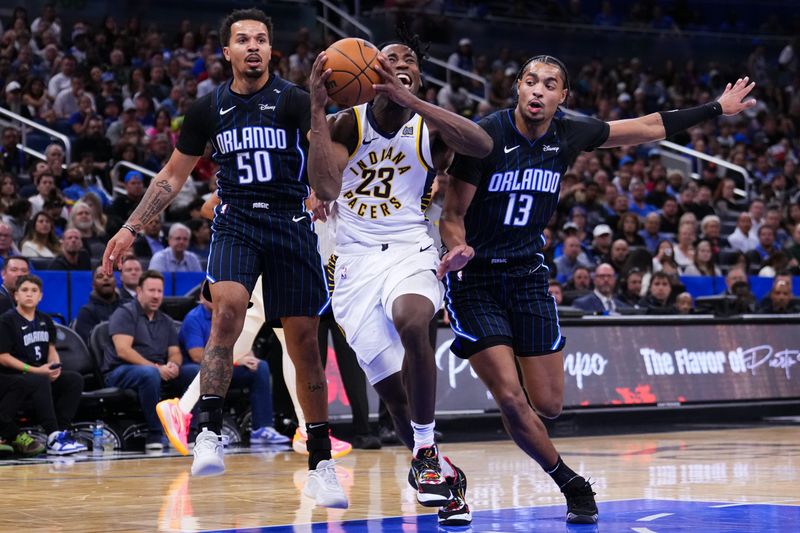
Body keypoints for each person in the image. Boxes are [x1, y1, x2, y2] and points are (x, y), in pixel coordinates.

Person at [438, 54, 755, 525]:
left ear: (562, 96)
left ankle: (522, 424)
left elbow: (648, 127)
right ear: (518, 89)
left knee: (547, 405)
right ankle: (572, 484)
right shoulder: (485, 137)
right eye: (530, 82)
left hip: (527, 277)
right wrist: (458, 249)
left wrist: (716, 108)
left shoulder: (570, 133)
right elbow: (451, 216)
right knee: (509, 396)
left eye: (549, 84)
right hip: (475, 279)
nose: (538, 91)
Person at [101, 8, 347, 507]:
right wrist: (131, 227)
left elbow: (326, 184)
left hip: (292, 223)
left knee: (304, 349)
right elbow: (171, 177)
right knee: (229, 312)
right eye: (243, 39)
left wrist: (320, 113)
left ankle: (320, 461)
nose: (253, 46)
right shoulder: (208, 108)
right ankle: (207, 428)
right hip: (236, 220)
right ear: (227, 51)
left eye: (261, 39)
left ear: (270, 50)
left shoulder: (297, 102)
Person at [308, 32, 491, 525]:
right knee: (394, 396)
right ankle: (444, 481)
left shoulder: (429, 130)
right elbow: (325, 185)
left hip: (410, 247)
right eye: (387, 58)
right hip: (352, 261)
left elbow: (482, 143)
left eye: (408, 60)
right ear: (367, 73)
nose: (398, 62)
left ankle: (426, 451)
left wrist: (414, 102)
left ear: (417, 78)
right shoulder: (349, 121)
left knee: (414, 322)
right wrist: (316, 111)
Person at [103, 270, 196, 450]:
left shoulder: (166, 320)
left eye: (159, 291)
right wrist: (157, 368)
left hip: (155, 370)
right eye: (151, 291)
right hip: (120, 370)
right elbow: (123, 350)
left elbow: (175, 352)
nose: (156, 296)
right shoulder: (125, 313)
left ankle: (190, 430)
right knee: (150, 373)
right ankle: (156, 433)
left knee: (193, 371)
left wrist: (174, 365)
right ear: (139, 291)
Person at [0, 275, 87, 454]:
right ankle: (52, 434)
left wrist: (55, 367)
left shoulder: (45, 320)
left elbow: (51, 350)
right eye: (24, 290)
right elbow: (3, 357)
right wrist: (36, 370)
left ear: (41, 296)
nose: (29, 294)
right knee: (38, 379)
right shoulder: (6, 321)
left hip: (37, 376)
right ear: (16, 295)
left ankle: (61, 433)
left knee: (73, 379)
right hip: (10, 376)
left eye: (34, 291)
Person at [73, 266, 121, 343]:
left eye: (110, 275)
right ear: (93, 285)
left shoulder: (127, 307)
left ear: (116, 282)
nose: (105, 278)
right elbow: (89, 344)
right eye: (100, 276)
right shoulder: (86, 312)